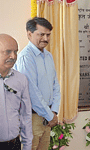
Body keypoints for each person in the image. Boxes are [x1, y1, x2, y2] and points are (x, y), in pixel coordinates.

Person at [15, 17, 61, 150]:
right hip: (32, 117)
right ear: (29, 34)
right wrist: (49, 115)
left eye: (48, 35)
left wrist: (54, 111)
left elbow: (55, 85)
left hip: (47, 116)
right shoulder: (26, 57)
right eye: (41, 34)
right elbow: (31, 91)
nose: (45, 39)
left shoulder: (48, 56)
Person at [0, 34, 33, 150]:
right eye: (7, 52)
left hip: (14, 144)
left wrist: (27, 145)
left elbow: (25, 114)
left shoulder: (21, 79)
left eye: (15, 52)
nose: (13, 56)